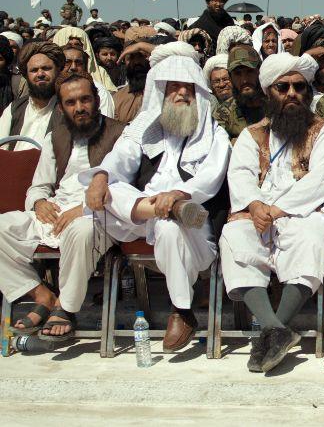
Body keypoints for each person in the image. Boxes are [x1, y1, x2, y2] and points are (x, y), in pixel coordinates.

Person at [82, 54, 231, 352]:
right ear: (160, 92)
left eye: (188, 87)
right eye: (172, 86)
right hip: (140, 220)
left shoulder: (215, 136)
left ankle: (182, 311)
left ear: (199, 92)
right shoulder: (143, 131)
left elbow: (209, 181)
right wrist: (100, 177)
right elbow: (117, 160)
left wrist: (178, 196)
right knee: (111, 187)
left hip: (197, 225)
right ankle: (154, 211)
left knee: (169, 225)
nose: (181, 92)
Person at [220, 53, 324, 373]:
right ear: (268, 93)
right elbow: (241, 176)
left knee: (313, 239)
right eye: (282, 87)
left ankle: (272, 330)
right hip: (256, 212)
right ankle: (277, 330)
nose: (292, 94)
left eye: (300, 87)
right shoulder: (252, 135)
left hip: (301, 212)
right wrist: (257, 206)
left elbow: (321, 181)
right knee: (234, 236)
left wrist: (275, 210)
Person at [0, 71, 124, 342]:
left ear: (96, 100)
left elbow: (127, 189)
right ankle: (40, 294)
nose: (79, 108)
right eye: (71, 102)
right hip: (56, 212)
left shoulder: (120, 134)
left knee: (81, 231)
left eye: (85, 100)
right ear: (61, 107)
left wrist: (84, 209)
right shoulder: (55, 136)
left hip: (100, 215)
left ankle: (65, 309)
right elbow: (39, 185)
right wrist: (40, 202)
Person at [0, 42, 63, 150]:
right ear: (26, 75)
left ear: (58, 71)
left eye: (46, 68)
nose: (40, 74)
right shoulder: (14, 109)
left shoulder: (66, 110)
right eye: (34, 70)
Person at [214, 45, 267, 140]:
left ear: (260, 71)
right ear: (231, 77)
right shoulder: (224, 114)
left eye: (249, 72)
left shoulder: (275, 104)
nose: (244, 80)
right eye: (238, 74)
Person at [61, 45, 115, 119]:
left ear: (85, 67)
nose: (73, 67)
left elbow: (106, 123)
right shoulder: (52, 89)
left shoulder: (99, 91)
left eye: (79, 63)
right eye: (67, 62)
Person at [111, 41, 153, 124]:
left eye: (141, 56)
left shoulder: (164, 89)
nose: (136, 62)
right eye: (131, 57)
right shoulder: (117, 98)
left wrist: (142, 45)